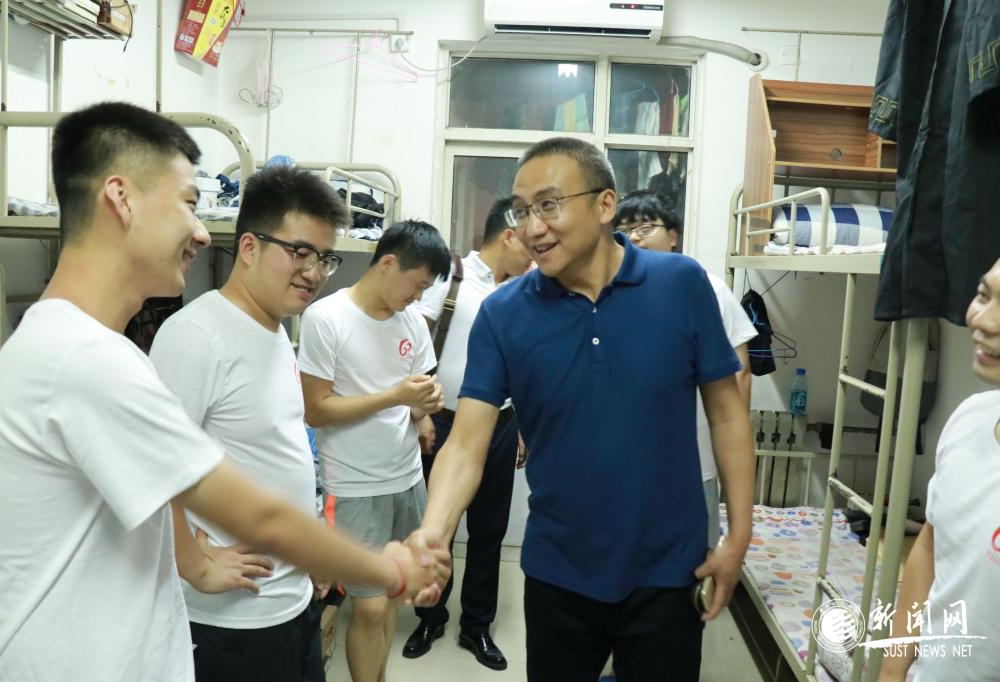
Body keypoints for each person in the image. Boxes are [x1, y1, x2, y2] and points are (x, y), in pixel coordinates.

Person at [0, 102, 447, 682]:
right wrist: (387, 569)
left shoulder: (76, 344)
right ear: (121, 199)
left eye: (323, 258)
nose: (202, 232)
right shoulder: (92, 358)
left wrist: (309, 554)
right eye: (188, 203)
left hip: (236, 613)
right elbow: (257, 515)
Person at [407, 136, 756, 682]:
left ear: (605, 204)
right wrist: (434, 532)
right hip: (558, 571)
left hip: (668, 570)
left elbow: (728, 414)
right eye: (522, 210)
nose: (532, 227)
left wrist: (738, 537)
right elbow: (468, 444)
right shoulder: (504, 314)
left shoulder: (681, 284)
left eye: (549, 204)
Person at [149, 163, 349, 682]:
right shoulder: (197, 336)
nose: (315, 272)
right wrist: (193, 562)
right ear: (250, 247)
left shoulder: (275, 330)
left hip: (291, 600)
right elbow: (153, 466)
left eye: (325, 258)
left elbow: (274, 452)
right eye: (300, 252)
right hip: (232, 622)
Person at [299, 219, 451, 682]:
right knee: (367, 607)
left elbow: (415, 397)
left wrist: (425, 407)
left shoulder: (412, 323)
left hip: (406, 478)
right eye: (416, 284)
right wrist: (394, 397)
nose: (418, 297)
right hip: (353, 485)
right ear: (387, 264)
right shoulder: (326, 318)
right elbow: (316, 411)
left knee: (392, 595)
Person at [402, 198, 532, 670]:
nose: (535, 254)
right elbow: (415, 340)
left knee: (489, 529)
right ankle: (430, 617)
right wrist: (419, 413)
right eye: (528, 242)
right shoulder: (452, 276)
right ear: (508, 236)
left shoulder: (525, 291)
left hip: (502, 420)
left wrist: (522, 425)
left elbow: (524, 363)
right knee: (439, 523)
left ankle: (476, 625)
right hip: (444, 419)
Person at [614, 189, 757, 548]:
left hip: (695, 458)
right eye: (625, 229)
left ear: (673, 235)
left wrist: (731, 447)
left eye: (645, 227)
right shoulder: (610, 293)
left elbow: (740, 371)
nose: (634, 238)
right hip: (623, 460)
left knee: (692, 557)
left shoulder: (707, 289)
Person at [879, 257, 1000, 682]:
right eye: (984, 295)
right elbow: (930, 547)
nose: (981, 320)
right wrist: (892, 670)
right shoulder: (970, 419)